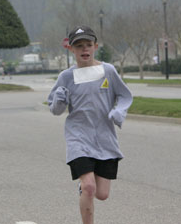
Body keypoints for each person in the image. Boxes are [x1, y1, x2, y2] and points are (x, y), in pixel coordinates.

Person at [48, 25, 133, 224]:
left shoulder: (108, 71)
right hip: (78, 137)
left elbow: (124, 95)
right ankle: (86, 189)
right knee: (89, 188)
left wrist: (119, 111)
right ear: (71, 49)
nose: (84, 50)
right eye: (79, 46)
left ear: (95, 46)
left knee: (102, 194)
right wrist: (60, 100)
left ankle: (85, 187)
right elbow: (55, 109)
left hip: (104, 138)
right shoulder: (66, 77)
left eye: (88, 45)